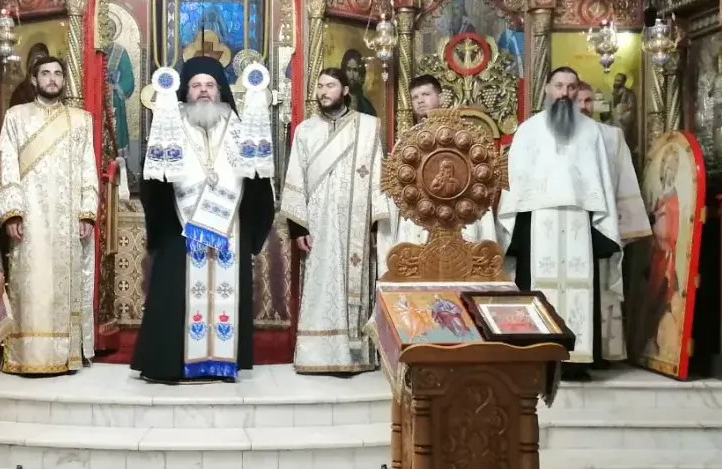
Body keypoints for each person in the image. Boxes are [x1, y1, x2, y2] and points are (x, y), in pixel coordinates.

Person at [133, 56, 276, 383]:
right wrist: (162, 223)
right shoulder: (170, 127)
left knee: (226, 297)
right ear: (185, 91)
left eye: (209, 85)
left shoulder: (239, 130)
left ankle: (221, 364)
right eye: (196, 85)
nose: (203, 91)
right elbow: (153, 181)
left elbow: (258, 180)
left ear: (220, 90)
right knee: (175, 296)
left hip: (230, 230)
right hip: (180, 230)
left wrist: (252, 227)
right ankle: (172, 364)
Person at [497, 67, 622, 380]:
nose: (564, 93)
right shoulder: (528, 130)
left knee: (582, 288)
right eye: (559, 86)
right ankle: (536, 359)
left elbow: (602, 182)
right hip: (537, 223)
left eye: (571, 86)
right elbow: (516, 182)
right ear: (547, 89)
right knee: (536, 287)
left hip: (581, 223)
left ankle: (577, 362)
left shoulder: (591, 132)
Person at [0, 55, 99, 374]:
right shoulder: (16, 116)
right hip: (31, 215)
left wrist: (87, 212)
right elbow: (5, 164)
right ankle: (29, 355)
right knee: (32, 283)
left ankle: (67, 354)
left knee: (65, 285)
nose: (52, 79)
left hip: (68, 217)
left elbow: (88, 167)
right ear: (34, 80)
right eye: (45, 73)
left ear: (64, 80)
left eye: (57, 74)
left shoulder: (80, 120)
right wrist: (12, 212)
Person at [281, 69, 387, 374]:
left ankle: (356, 355)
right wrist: (298, 227)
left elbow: (378, 175)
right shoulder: (305, 130)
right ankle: (316, 355)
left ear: (345, 90)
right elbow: (295, 175)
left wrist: (375, 224)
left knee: (355, 284)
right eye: (320, 86)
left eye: (330, 86)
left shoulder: (368, 127)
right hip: (318, 223)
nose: (323, 91)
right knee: (320, 285)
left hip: (356, 222)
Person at [574, 80, 652, 366]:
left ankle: (602, 352)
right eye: (578, 101)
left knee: (604, 287)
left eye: (588, 101)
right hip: (567, 228)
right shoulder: (557, 136)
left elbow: (624, 180)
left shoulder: (611, 137)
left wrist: (623, 224)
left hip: (602, 225)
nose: (583, 107)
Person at [379, 74, 498, 258]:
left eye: (426, 94)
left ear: (441, 98)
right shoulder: (407, 141)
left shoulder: (462, 134)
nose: (420, 100)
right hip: (420, 212)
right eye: (415, 97)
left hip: (460, 209)